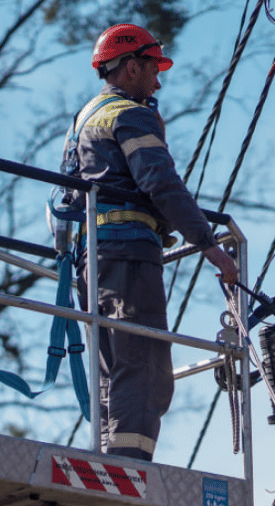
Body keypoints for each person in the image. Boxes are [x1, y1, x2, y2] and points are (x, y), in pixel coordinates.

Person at [60, 23, 239, 462]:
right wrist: (209, 246)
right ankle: (130, 470)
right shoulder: (130, 113)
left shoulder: (83, 120)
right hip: (129, 259)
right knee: (145, 366)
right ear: (133, 66)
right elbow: (160, 182)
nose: (158, 81)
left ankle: (111, 460)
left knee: (113, 369)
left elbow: (69, 196)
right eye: (154, 68)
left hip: (93, 261)